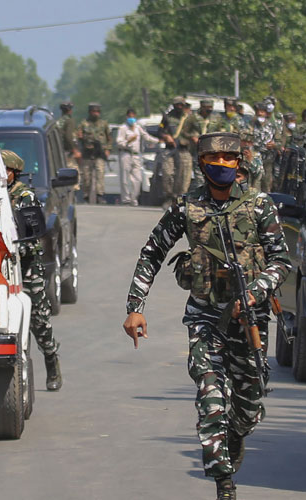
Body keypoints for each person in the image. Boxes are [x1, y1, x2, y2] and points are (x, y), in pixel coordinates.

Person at [122, 132, 291, 500]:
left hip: (249, 320)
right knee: (211, 399)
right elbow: (152, 253)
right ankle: (223, 483)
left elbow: (282, 262)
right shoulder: (186, 208)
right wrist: (135, 307)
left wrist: (254, 290)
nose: (221, 163)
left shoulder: (259, 206)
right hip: (205, 320)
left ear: (239, 162)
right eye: (212, 157)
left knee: (248, 408)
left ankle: (234, 437)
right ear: (201, 163)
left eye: (228, 157)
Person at [2, 148, 61, 390]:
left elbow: (34, 239)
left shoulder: (24, 197)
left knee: (39, 319)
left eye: (5, 170)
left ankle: (51, 359)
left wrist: (14, 251)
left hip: (26, 266)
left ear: (13, 173)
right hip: (0, 267)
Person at [115, 108, 159, 206]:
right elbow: (119, 142)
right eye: (130, 117)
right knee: (125, 178)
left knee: (138, 179)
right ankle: (126, 199)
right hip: (125, 154)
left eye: (133, 116)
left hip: (136, 155)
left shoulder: (138, 127)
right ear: (127, 117)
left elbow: (146, 137)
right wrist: (128, 141)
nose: (132, 119)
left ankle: (134, 198)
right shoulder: (123, 128)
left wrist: (158, 140)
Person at [159, 96, 194, 205]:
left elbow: (197, 132)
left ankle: (180, 198)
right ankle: (169, 196)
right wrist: (166, 136)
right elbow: (159, 131)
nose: (179, 107)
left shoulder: (189, 119)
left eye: (181, 105)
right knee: (168, 173)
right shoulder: (167, 117)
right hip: (170, 150)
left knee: (183, 177)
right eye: (177, 105)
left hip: (184, 150)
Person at [76, 102, 111, 204]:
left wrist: (108, 149)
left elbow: (109, 138)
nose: (96, 113)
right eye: (93, 111)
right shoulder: (84, 124)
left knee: (100, 174)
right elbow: (77, 137)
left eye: (97, 111)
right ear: (90, 112)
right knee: (86, 176)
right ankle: (86, 196)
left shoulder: (103, 124)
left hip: (99, 153)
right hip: (87, 152)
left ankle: (99, 195)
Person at [252, 102, 280, 192]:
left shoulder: (273, 126)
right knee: (254, 184)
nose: (260, 113)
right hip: (254, 160)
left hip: (268, 160)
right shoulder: (251, 125)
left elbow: (280, 142)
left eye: (262, 112)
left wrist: (274, 145)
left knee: (267, 185)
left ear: (266, 113)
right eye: (258, 112)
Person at [57, 101, 81, 191]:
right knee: (74, 170)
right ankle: (73, 191)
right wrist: (74, 149)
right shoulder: (69, 121)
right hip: (68, 151)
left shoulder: (59, 121)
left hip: (59, 150)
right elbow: (68, 136)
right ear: (69, 110)